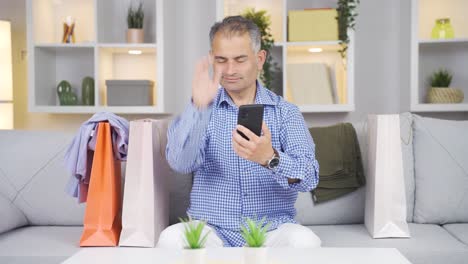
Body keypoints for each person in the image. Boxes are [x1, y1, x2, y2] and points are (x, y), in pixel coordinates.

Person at [157, 16, 321, 248]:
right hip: (210, 229)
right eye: (221, 60)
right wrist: (198, 108)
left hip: (271, 231)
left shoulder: (286, 113)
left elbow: (310, 177)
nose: (230, 70)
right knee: (171, 240)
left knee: (305, 242)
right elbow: (180, 163)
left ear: (260, 58)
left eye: (240, 59)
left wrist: (270, 158)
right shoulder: (201, 108)